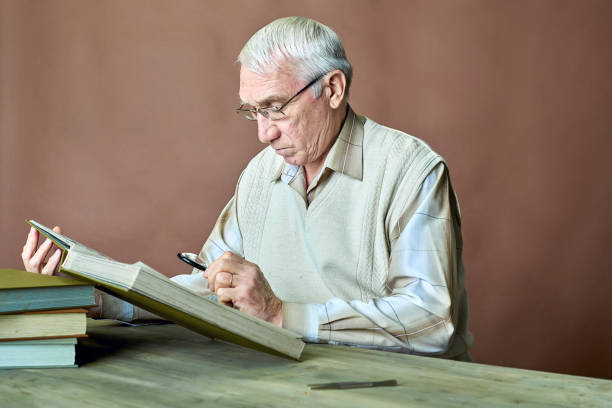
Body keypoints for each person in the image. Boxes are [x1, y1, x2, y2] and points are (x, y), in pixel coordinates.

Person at [21, 16, 472, 359]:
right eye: (252, 111)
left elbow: (431, 321)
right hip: (291, 381)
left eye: (275, 108)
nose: (264, 134)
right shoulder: (261, 173)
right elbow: (209, 288)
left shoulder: (412, 170)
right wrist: (100, 294)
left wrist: (279, 315)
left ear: (333, 89)